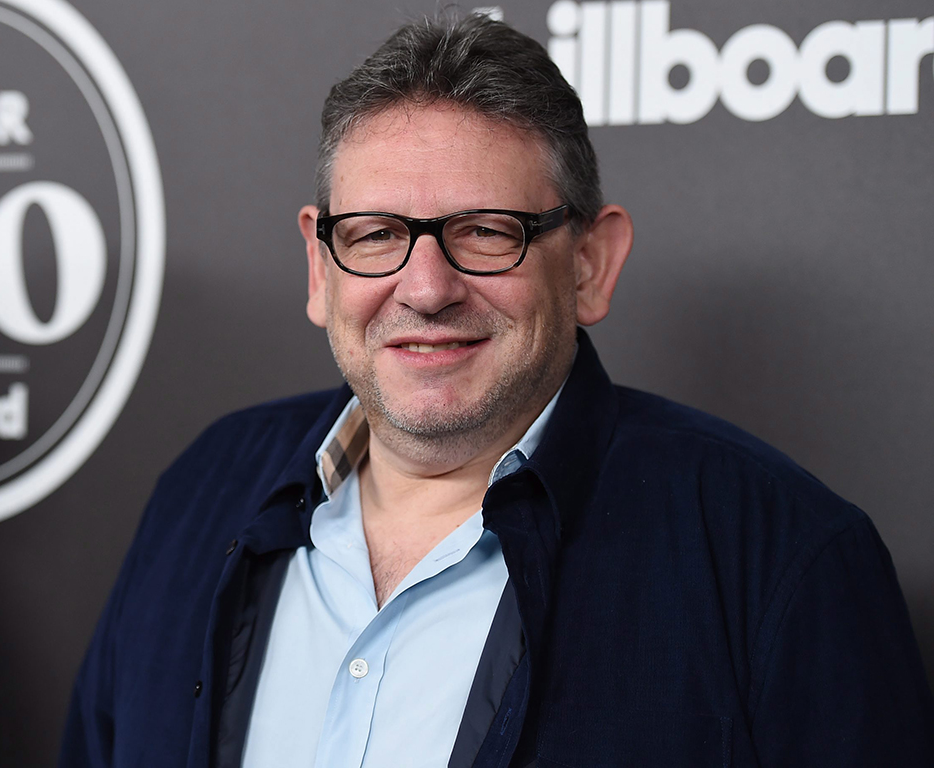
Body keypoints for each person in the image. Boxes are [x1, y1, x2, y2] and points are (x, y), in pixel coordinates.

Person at [60, 13, 934, 768]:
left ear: (591, 263)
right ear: (320, 266)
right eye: (374, 234)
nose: (427, 287)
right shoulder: (200, 493)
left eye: (486, 232)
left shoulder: (780, 559)